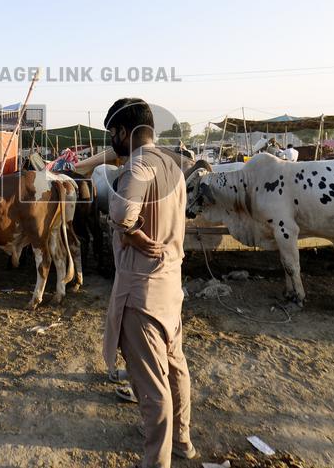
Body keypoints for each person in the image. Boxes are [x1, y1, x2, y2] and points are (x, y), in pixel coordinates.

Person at [102, 98, 198, 466]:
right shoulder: (171, 165)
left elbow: (122, 213)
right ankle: (182, 440)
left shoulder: (138, 165)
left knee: (150, 385)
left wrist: (132, 233)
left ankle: (156, 462)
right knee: (174, 367)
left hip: (141, 292)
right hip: (171, 286)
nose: (113, 142)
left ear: (123, 132)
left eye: (113, 135)